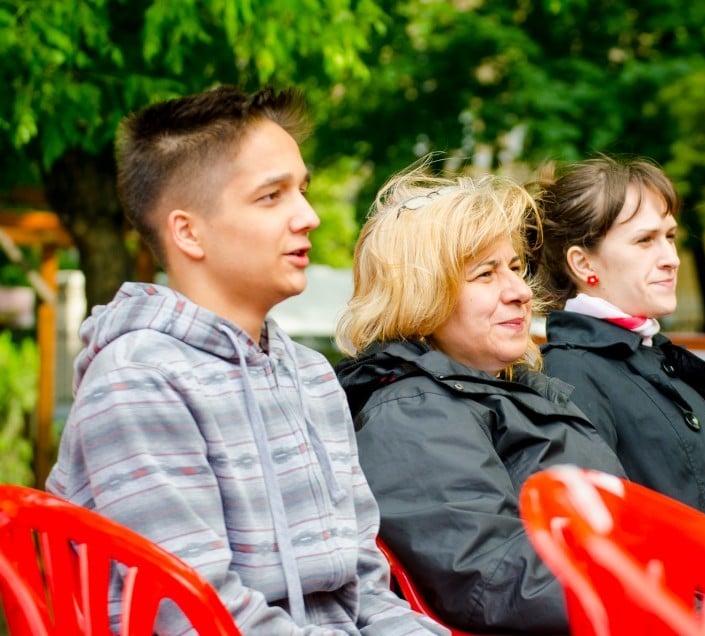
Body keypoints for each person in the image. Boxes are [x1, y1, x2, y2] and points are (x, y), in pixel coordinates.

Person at [46, 86, 445, 635]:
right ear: (188, 231)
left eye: (302, 190)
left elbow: (367, 594)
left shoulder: (310, 376)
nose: (308, 217)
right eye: (271, 196)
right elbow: (193, 615)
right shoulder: (138, 382)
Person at [334, 161, 626, 633]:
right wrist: (664, 591)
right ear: (421, 294)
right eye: (486, 275)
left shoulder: (507, 385)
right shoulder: (412, 411)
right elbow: (493, 582)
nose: (519, 292)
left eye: (515, 267)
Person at [528, 156, 705, 559]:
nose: (671, 257)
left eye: (670, 236)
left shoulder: (646, 354)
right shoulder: (571, 371)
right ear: (583, 263)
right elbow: (604, 541)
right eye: (645, 240)